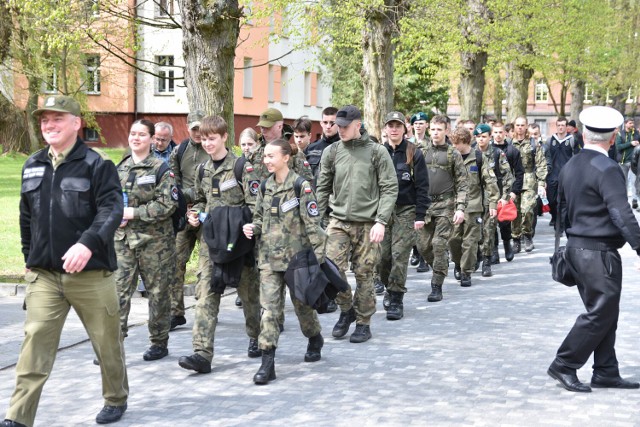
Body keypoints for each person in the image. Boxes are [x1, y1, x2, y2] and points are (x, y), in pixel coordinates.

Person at [3, 95, 128, 426]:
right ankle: (18, 416)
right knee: (35, 343)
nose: (49, 125)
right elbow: (26, 214)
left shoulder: (97, 164)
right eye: (44, 120)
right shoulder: (33, 164)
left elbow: (111, 209)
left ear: (76, 123)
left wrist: (87, 244)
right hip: (45, 274)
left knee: (106, 342)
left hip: (91, 273)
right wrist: (30, 255)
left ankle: (116, 398)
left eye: (57, 118)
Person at [548, 106, 640, 393]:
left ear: (584, 134)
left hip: (577, 248)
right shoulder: (608, 168)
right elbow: (621, 213)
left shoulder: (571, 165)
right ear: (613, 138)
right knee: (600, 313)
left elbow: (560, 207)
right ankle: (564, 363)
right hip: (598, 252)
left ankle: (606, 371)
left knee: (604, 312)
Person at [177, 115, 262, 374]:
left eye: (212, 138)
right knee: (205, 295)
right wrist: (195, 214)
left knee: (249, 296)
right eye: (203, 139)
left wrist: (252, 228)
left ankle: (258, 336)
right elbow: (202, 199)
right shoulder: (203, 169)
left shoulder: (241, 167)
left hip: (239, 244)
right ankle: (202, 353)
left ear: (224, 137)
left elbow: (256, 205)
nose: (208, 143)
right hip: (211, 244)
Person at [243, 139, 327, 384]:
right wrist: (253, 227)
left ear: (286, 157)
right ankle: (267, 363)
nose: (266, 160)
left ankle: (314, 337)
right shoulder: (265, 186)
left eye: (271, 156)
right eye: (265, 156)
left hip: (296, 260)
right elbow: (259, 216)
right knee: (269, 311)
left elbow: (314, 225)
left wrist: (320, 260)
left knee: (302, 306)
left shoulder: (301, 187)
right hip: (268, 260)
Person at [316, 105, 398, 343]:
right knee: (330, 268)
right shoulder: (331, 152)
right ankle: (346, 309)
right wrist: (317, 220)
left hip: (368, 223)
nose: (338, 130)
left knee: (364, 274)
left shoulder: (377, 152)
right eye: (336, 125)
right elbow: (322, 187)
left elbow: (389, 188)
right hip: (338, 221)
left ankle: (363, 322)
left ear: (357, 126)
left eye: (344, 126)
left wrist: (381, 221)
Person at [115, 119, 177, 362]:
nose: (136, 138)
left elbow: (168, 204)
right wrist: (114, 216)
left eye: (141, 134)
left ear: (152, 139)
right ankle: (114, 343)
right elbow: (108, 198)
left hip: (155, 243)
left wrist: (134, 213)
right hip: (123, 241)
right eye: (133, 133)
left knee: (158, 293)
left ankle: (159, 342)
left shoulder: (161, 169)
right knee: (118, 292)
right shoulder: (120, 167)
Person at [378, 111, 430, 320]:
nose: (394, 129)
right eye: (390, 125)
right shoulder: (379, 152)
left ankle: (396, 297)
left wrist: (420, 215)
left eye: (398, 125)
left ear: (404, 129)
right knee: (382, 257)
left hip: (405, 210)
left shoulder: (413, 153)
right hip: (383, 211)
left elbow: (423, 186)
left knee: (400, 255)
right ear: (385, 128)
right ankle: (389, 287)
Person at [417, 114, 468, 302]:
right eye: (433, 129)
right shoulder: (420, 151)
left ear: (446, 131)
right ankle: (441, 265)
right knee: (423, 247)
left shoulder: (452, 154)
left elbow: (463, 184)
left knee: (439, 244)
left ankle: (436, 284)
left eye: (440, 129)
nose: (436, 133)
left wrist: (460, 208)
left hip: (446, 205)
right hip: (424, 205)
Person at [168, 110, 211, 330]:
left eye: (200, 128)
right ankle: (176, 312)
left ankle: (205, 309)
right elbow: (172, 182)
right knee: (176, 262)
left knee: (206, 266)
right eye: (194, 129)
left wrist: (193, 200)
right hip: (185, 215)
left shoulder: (212, 150)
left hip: (206, 214)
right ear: (188, 128)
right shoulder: (179, 151)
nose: (197, 133)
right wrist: (183, 207)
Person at [449, 127, 499, 287]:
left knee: (470, 241)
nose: (455, 146)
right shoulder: (451, 157)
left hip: (473, 206)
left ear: (465, 142)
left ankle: (466, 272)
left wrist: (492, 202)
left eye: (457, 144)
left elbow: (490, 181)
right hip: (453, 206)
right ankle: (458, 262)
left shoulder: (478, 157)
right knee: (454, 239)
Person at [473, 124, 514, 275]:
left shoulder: (497, 153)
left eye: (484, 136)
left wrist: (504, 197)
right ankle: (476, 255)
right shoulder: (471, 153)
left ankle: (487, 261)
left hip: (492, 196)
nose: (481, 139)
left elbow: (508, 177)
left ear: (489, 137)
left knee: (489, 229)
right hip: (474, 198)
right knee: (475, 230)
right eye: (478, 137)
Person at [510, 116, 547, 253]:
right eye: (517, 125)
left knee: (527, 210)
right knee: (515, 212)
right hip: (513, 181)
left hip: (529, 180)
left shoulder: (533, 143)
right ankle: (515, 238)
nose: (520, 127)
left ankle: (527, 235)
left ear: (526, 127)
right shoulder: (509, 144)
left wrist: (542, 182)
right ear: (514, 126)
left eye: (522, 125)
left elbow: (541, 164)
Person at [491, 122, 524, 262]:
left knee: (504, 221)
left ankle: (507, 244)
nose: (498, 135)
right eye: (495, 132)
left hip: (506, 188)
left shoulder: (512, 151)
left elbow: (519, 173)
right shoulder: (487, 150)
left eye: (500, 132)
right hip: (491, 189)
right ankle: (493, 251)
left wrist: (514, 192)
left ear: (505, 133)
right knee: (490, 222)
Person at [545, 117, 578, 227]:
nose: (560, 127)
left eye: (563, 125)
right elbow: (546, 157)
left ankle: (561, 222)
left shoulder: (572, 139)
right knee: (551, 200)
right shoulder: (550, 140)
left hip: (567, 175)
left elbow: (577, 157)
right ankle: (554, 216)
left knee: (564, 201)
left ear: (567, 126)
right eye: (558, 125)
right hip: (552, 175)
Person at [304, 107, 340, 183]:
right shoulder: (311, 149)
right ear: (321, 123)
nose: (328, 126)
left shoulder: (345, 147)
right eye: (325, 122)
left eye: (332, 123)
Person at [615, 118, 640, 208]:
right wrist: (631, 143)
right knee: (623, 182)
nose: (632, 125)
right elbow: (618, 147)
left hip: (634, 162)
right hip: (623, 162)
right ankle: (623, 201)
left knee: (634, 182)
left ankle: (634, 200)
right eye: (630, 123)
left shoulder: (636, 133)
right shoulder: (619, 134)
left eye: (633, 123)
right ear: (625, 124)